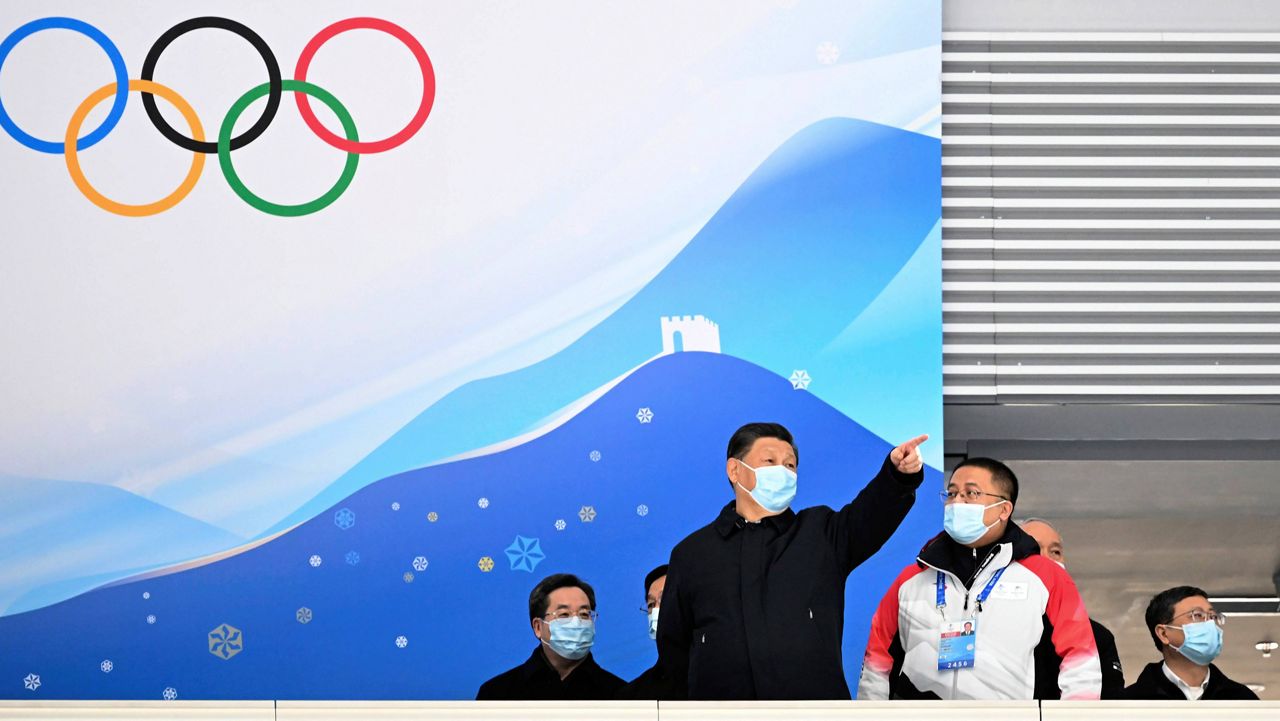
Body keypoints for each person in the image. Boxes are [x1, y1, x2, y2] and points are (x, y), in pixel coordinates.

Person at [657, 422, 929, 699]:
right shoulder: (692, 554)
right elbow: (674, 653)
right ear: (735, 470)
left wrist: (897, 476)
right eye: (770, 461)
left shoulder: (820, 533)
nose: (783, 471)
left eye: (790, 465)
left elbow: (870, 515)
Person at [859, 457, 1101, 700]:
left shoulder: (1046, 577)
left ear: (1004, 509)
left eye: (971, 493)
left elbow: (1080, 662)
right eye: (951, 494)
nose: (957, 502)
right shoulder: (911, 580)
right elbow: (875, 665)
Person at [1019, 517, 1125, 699]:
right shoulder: (990, 623)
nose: (1046, 560)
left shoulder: (1098, 635)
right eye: (1034, 550)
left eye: (1055, 552)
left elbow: (1110, 703)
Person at [476, 573, 624, 700]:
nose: (576, 622)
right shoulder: (497, 694)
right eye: (564, 614)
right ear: (538, 627)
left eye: (584, 614)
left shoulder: (621, 694)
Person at [1123, 585, 1258, 700]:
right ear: (1163, 634)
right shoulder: (1132, 701)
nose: (1209, 623)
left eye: (1212, 616)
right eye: (1197, 615)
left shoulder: (1242, 699)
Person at [616, 564, 679, 699]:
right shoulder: (634, 695)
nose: (656, 610)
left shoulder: (716, 680)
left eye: (665, 599)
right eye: (651, 604)